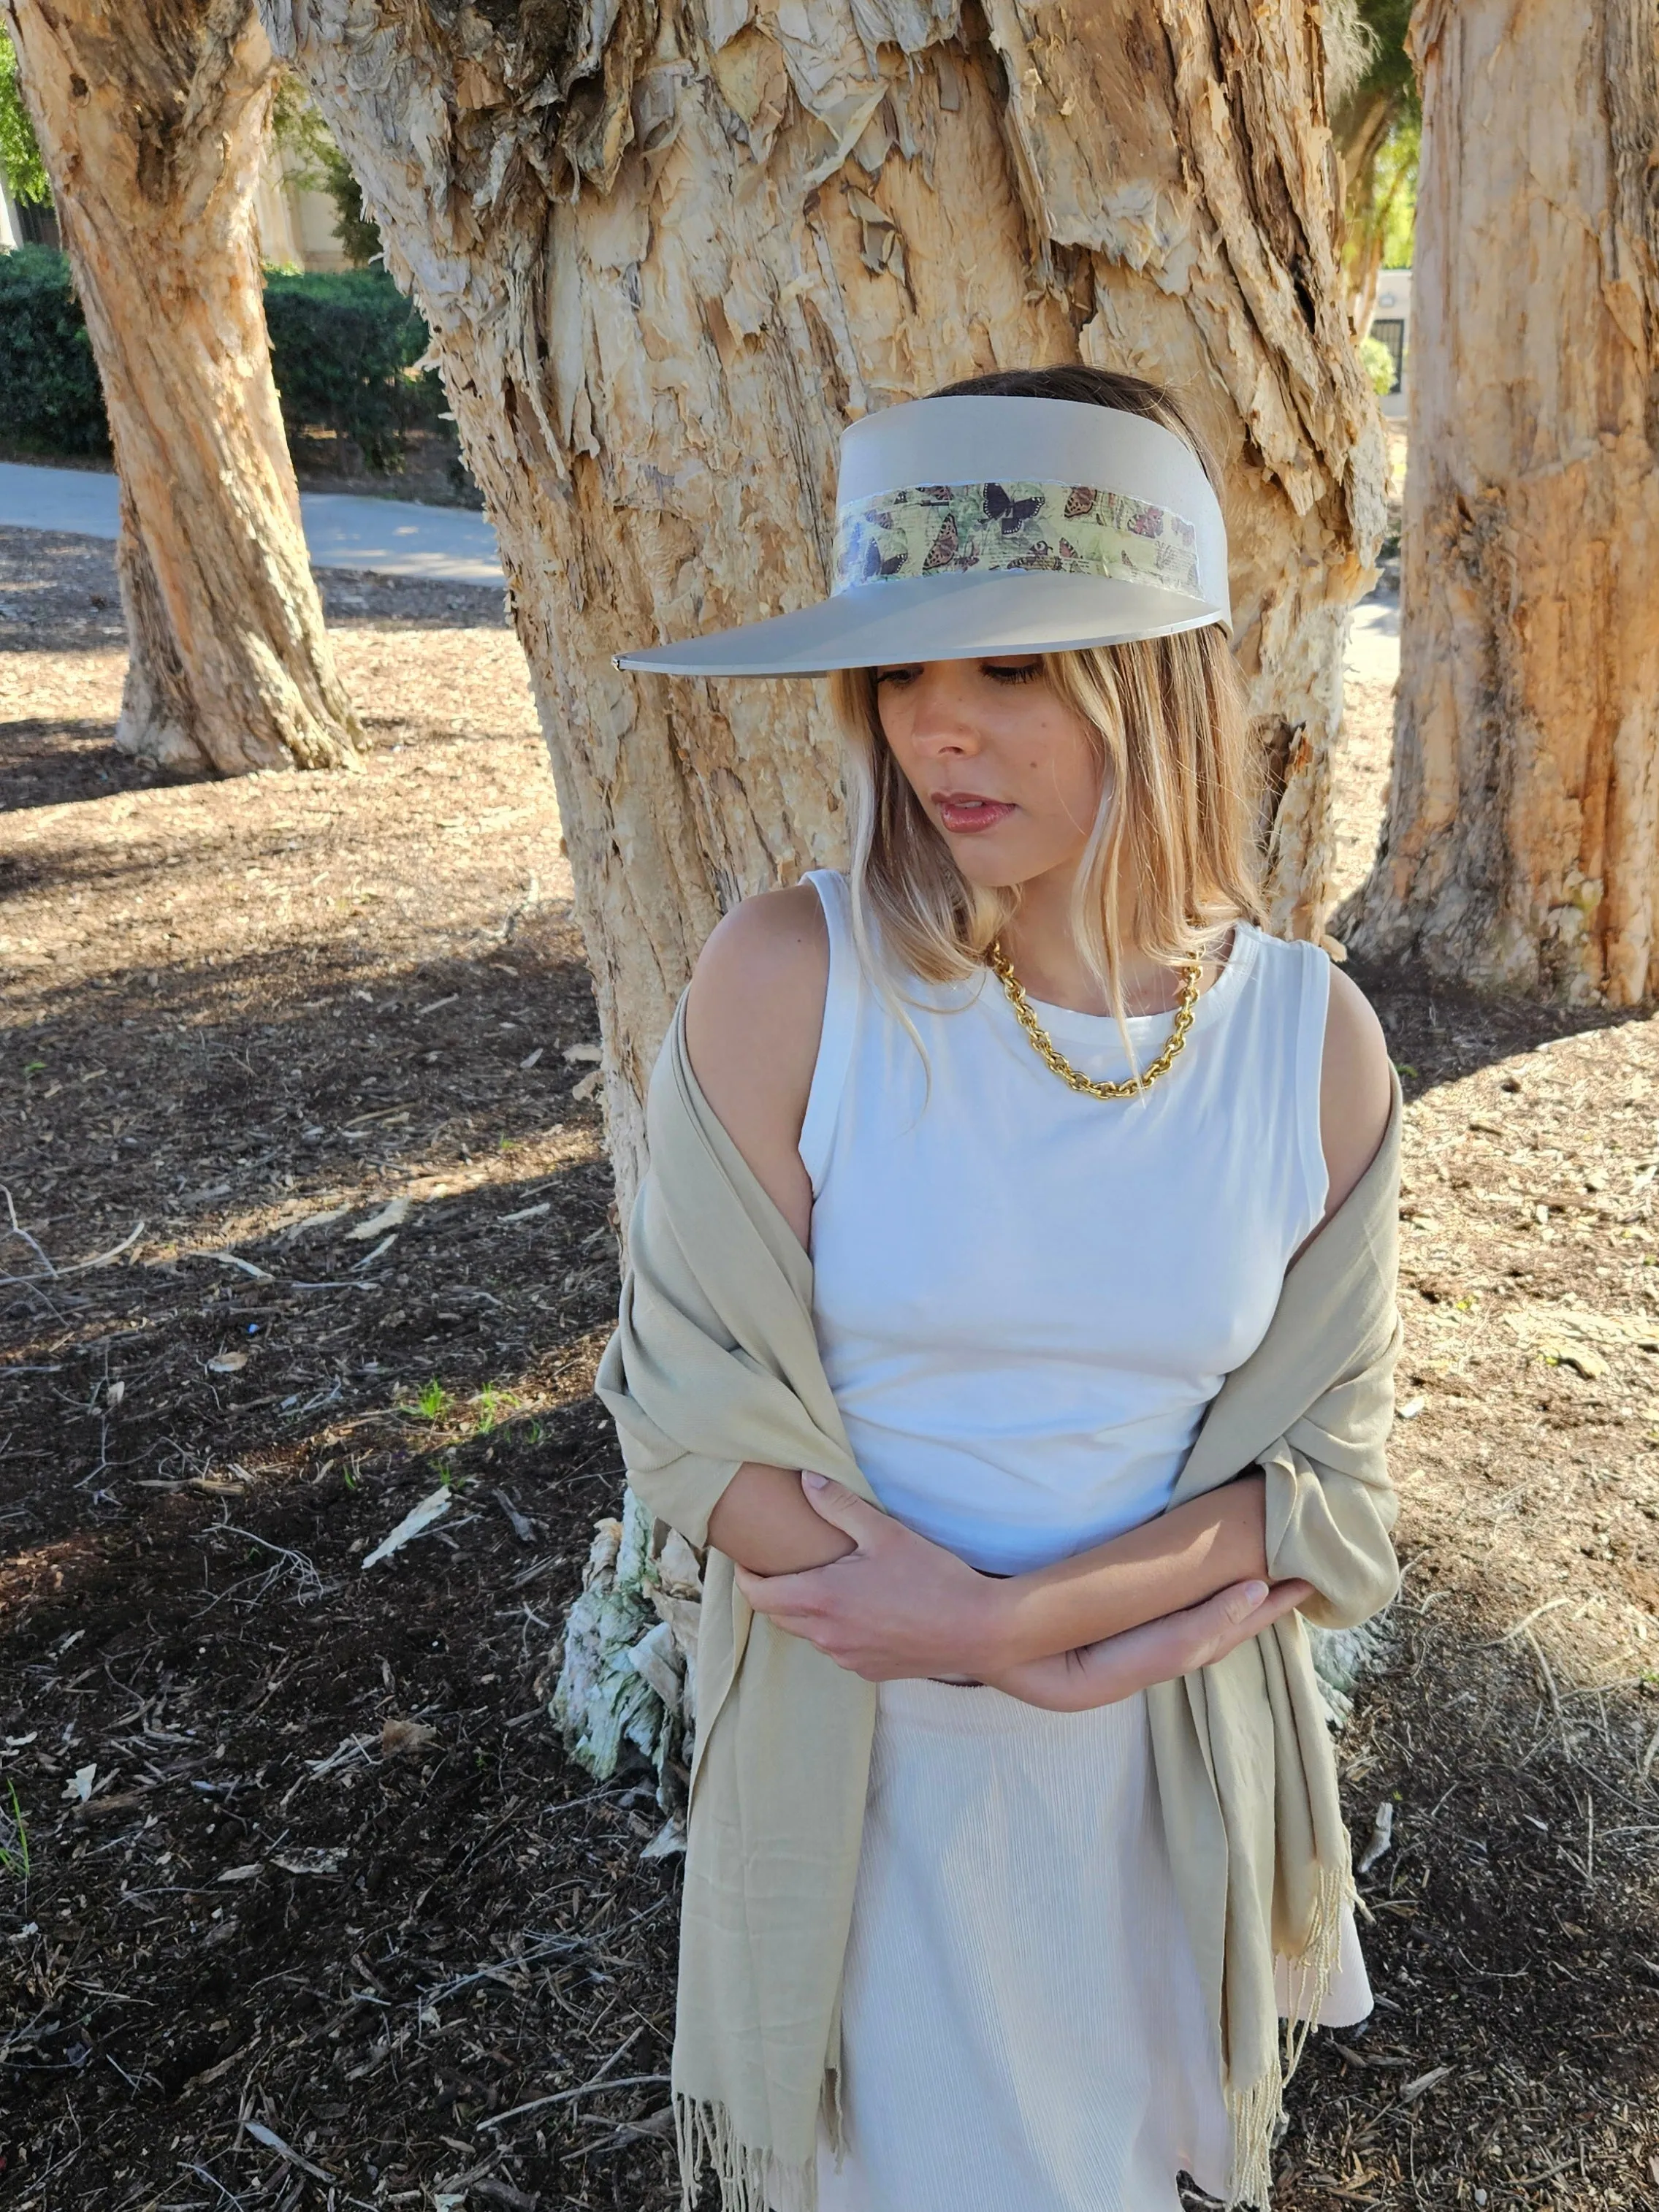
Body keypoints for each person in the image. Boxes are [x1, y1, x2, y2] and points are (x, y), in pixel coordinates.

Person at [603, 365, 1402, 2212]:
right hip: (857, 1775)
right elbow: (683, 1411)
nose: (938, 732)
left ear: (1160, 674)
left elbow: (1326, 1489)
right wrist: (946, 1642)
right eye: (901, 672)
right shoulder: (792, 979)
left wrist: (1002, 1627)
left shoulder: (1310, 1048)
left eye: (1015, 665)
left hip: (1156, 1791)